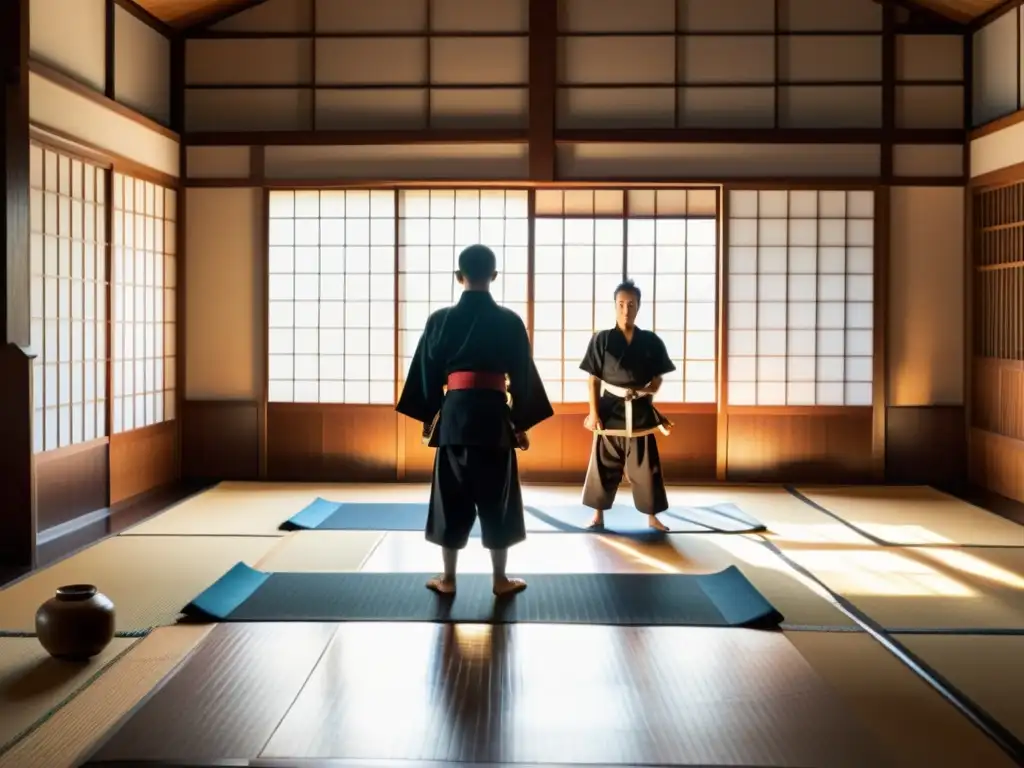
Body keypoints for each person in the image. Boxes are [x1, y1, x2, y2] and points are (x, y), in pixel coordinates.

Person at [396, 244, 553, 597]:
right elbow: (524, 379)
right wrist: (520, 423)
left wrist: (432, 415)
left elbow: (426, 373)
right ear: (494, 276)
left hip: (455, 418)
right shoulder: (510, 322)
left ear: (458, 276)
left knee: (450, 496)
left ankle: (448, 579)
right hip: (495, 419)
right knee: (499, 498)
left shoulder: (440, 320)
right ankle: (499, 580)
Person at [579, 279, 676, 532]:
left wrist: (643, 391)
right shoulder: (601, 339)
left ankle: (653, 517)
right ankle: (597, 515)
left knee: (646, 467)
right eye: (621, 304)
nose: (625, 310)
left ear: (638, 307)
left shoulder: (651, 341)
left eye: (631, 304)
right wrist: (593, 412)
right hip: (610, 409)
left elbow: (656, 380)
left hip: (641, 411)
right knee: (603, 463)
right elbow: (593, 379)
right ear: (614, 306)